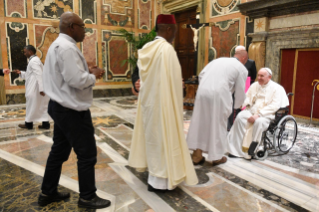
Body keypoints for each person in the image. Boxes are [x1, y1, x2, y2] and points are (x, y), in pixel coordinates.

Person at [39, 12, 110, 209]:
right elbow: (77, 81)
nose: (85, 31)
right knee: (87, 153)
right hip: (71, 109)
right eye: (83, 27)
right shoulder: (67, 48)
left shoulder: (57, 45)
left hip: (60, 106)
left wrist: (86, 72)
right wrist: (93, 75)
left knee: (59, 152)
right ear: (71, 27)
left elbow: (68, 77)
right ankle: (88, 197)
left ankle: (48, 192)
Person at [128, 14, 198, 192]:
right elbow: (173, 82)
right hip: (164, 105)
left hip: (149, 105)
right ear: (168, 29)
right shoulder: (166, 50)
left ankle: (154, 177)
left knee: (153, 138)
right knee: (164, 138)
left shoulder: (147, 48)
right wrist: (179, 87)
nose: (174, 34)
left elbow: (145, 76)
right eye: (174, 30)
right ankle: (161, 181)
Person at [187, 50, 248, 166]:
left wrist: (206, 87)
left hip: (203, 91)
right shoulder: (241, 68)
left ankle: (196, 155)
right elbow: (240, 90)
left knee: (201, 122)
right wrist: (238, 105)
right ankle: (216, 157)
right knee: (218, 124)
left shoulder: (217, 60)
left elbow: (201, 75)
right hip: (220, 94)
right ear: (244, 58)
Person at [227, 68, 289, 159]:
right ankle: (236, 150)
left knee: (258, 122)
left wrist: (258, 115)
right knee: (240, 117)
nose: (259, 78)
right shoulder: (255, 85)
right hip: (252, 111)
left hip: (267, 115)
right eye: (258, 75)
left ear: (269, 77)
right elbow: (248, 97)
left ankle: (252, 150)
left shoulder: (277, 88)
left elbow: (274, 106)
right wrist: (242, 104)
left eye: (262, 76)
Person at [13, 45, 50, 130]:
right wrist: (20, 73)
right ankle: (45, 124)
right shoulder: (35, 60)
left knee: (31, 106)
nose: (24, 53)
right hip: (36, 88)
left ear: (30, 52)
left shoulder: (33, 61)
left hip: (35, 89)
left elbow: (39, 74)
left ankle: (28, 124)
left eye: (25, 51)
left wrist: (41, 88)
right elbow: (30, 74)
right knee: (42, 106)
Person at [227, 45, 257, 131]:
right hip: (233, 87)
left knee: (243, 105)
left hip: (246, 87)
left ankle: (241, 123)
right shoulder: (231, 62)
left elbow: (254, 76)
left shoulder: (250, 62)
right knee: (232, 106)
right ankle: (230, 125)